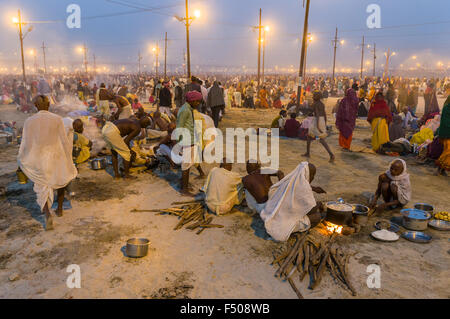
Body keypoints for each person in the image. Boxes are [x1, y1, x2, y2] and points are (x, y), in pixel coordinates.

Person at [17, 95, 77, 230]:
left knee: (42, 186)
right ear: (49, 105)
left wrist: (22, 159)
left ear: (36, 105)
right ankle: (60, 209)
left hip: (39, 158)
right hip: (56, 155)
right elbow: (63, 140)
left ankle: (47, 213)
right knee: (61, 180)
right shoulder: (57, 119)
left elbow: (26, 143)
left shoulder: (29, 121)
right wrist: (68, 158)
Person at [259, 162, 326, 241]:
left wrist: (314, 188)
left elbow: (298, 185)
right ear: (308, 175)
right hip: (282, 224)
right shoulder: (304, 189)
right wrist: (319, 204)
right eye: (312, 175)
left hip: (272, 215)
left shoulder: (290, 179)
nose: (313, 178)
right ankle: (294, 231)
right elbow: (310, 210)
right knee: (317, 216)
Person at [176, 91, 206, 196]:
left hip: (190, 140)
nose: (198, 104)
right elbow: (180, 126)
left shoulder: (188, 109)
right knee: (186, 165)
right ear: (192, 101)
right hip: (187, 140)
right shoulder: (185, 110)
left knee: (188, 163)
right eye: (197, 102)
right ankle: (184, 189)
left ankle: (184, 184)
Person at [303, 91, 335, 162]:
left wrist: (318, 126)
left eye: (314, 96)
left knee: (320, 139)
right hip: (322, 120)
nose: (313, 96)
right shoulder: (322, 104)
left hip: (316, 121)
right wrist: (324, 123)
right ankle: (308, 152)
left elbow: (317, 114)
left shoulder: (315, 104)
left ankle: (331, 155)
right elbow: (324, 114)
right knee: (310, 137)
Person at [436, 95, 450, 175]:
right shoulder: (447, 108)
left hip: (446, 133)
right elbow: (446, 122)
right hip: (446, 133)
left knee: (446, 151)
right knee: (448, 151)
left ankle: (442, 168)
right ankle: (440, 165)